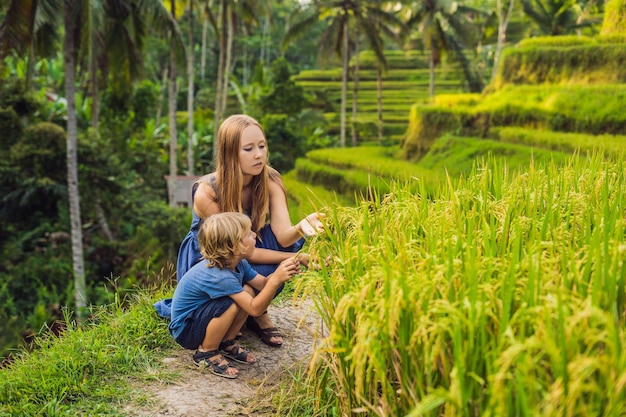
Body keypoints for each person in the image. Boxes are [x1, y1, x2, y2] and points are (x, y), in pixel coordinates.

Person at [155, 114, 324, 347]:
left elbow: (284, 237)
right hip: (215, 255)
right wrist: (296, 257)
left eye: (262, 146)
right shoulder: (208, 193)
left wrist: (301, 227)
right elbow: (239, 251)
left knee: (273, 261)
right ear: (230, 153)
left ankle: (256, 311)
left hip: (247, 244)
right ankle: (245, 315)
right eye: (248, 149)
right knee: (264, 270)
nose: (258, 154)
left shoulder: (270, 179)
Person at [168, 212, 301, 379]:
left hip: (201, 318)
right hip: (186, 329)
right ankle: (206, 352)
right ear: (235, 247)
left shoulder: (239, 263)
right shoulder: (220, 275)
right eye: (249, 234)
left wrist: (282, 271)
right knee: (229, 304)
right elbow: (254, 309)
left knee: (248, 290)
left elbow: (261, 284)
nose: (254, 235)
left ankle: (226, 342)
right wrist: (275, 280)